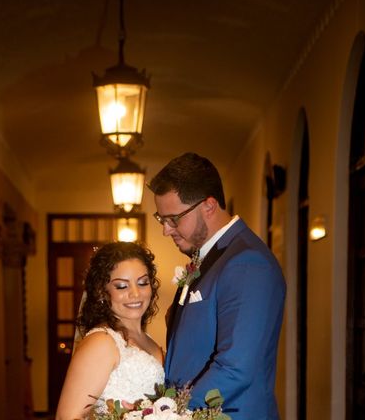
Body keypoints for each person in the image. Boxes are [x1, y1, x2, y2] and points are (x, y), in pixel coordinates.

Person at [148, 152, 286, 420]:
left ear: (209, 206)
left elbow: (236, 368)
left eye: (173, 219)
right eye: (160, 219)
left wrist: (170, 414)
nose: (166, 230)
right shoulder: (208, 257)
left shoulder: (247, 262)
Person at [55, 242, 164, 420]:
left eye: (143, 283)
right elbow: (66, 417)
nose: (136, 294)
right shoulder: (102, 342)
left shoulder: (148, 339)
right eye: (122, 286)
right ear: (102, 292)